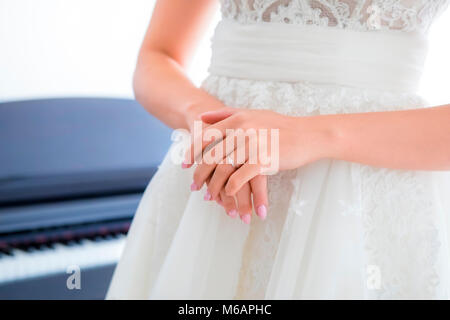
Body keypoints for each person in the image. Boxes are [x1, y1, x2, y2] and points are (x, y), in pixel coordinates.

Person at [107, 0, 450, 299]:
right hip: (220, 184)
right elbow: (156, 57)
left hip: (363, 194)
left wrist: (313, 134)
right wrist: (215, 128)